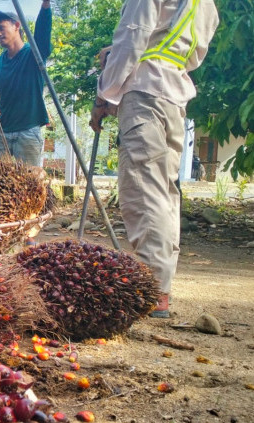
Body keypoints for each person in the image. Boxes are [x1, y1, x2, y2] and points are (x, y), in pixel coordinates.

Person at [90, 0, 219, 318]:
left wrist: (104, 95)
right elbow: (190, 54)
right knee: (165, 194)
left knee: (144, 191)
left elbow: (132, 37)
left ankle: (151, 290)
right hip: (173, 96)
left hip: (145, 94)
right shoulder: (208, 5)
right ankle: (159, 285)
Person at [0, 1, 53, 166]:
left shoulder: (33, 54)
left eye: (1, 28)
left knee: (29, 185)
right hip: (0, 132)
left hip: (28, 131)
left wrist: (45, 7)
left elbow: (42, 35)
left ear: (16, 25)